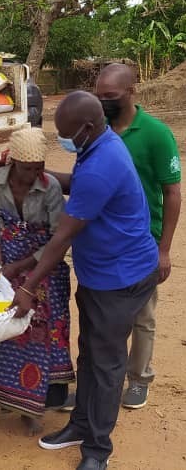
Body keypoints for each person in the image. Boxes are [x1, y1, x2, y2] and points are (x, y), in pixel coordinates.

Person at [10, 91, 159, 470]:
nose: (62, 140)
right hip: (101, 272)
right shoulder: (99, 144)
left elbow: (61, 239)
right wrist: (34, 173)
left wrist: (28, 287)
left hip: (120, 277)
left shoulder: (102, 162)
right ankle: (79, 425)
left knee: (107, 363)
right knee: (90, 352)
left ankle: (97, 451)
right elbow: (77, 182)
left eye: (65, 133)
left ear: (87, 128)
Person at [0, 128, 74, 437]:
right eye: (28, 168)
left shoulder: (51, 187)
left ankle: (29, 409)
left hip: (44, 266)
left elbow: (58, 238)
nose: (34, 174)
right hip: (8, 261)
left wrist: (22, 265)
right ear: (13, 162)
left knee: (35, 336)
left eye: (39, 167)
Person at [94, 63, 181, 410]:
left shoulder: (156, 134)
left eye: (110, 97)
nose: (104, 103)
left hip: (145, 242)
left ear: (132, 91)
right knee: (104, 318)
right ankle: (103, 381)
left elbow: (172, 194)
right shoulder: (97, 130)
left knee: (142, 316)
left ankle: (139, 377)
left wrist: (164, 251)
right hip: (105, 242)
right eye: (99, 97)